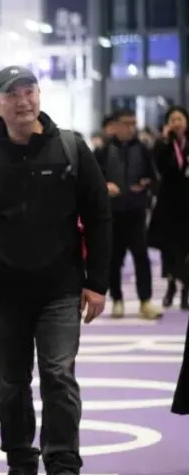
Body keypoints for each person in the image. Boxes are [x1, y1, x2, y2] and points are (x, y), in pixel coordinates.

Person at [0, 66, 112, 475]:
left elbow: (98, 216)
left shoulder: (70, 147)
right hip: (4, 290)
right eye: (12, 94)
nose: (23, 101)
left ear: (39, 94)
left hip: (61, 287)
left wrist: (98, 283)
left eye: (29, 91)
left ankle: (64, 469)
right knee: (10, 384)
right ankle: (21, 466)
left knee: (58, 375)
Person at [95, 108, 159, 319]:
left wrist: (146, 184)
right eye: (126, 123)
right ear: (115, 125)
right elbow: (92, 180)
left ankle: (145, 301)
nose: (131, 128)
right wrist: (105, 186)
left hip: (136, 211)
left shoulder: (143, 149)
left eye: (134, 124)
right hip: (112, 213)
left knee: (141, 256)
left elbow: (154, 178)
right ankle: (117, 300)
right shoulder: (103, 150)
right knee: (114, 258)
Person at [149, 105, 189, 309]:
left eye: (180, 119)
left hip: (188, 203)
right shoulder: (163, 144)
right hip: (168, 202)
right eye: (173, 120)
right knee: (168, 248)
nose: (177, 123)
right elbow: (159, 167)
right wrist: (165, 141)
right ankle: (171, 287)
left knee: (186, 248)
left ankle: (185, 290)